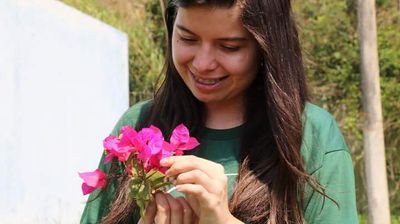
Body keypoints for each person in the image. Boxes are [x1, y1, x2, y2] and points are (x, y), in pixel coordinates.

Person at [80, 0, 358, 223]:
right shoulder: (138, 124)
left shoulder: (314, 137)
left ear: (267, 47)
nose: (202, 63)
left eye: (229, 47)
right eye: (188, 39)